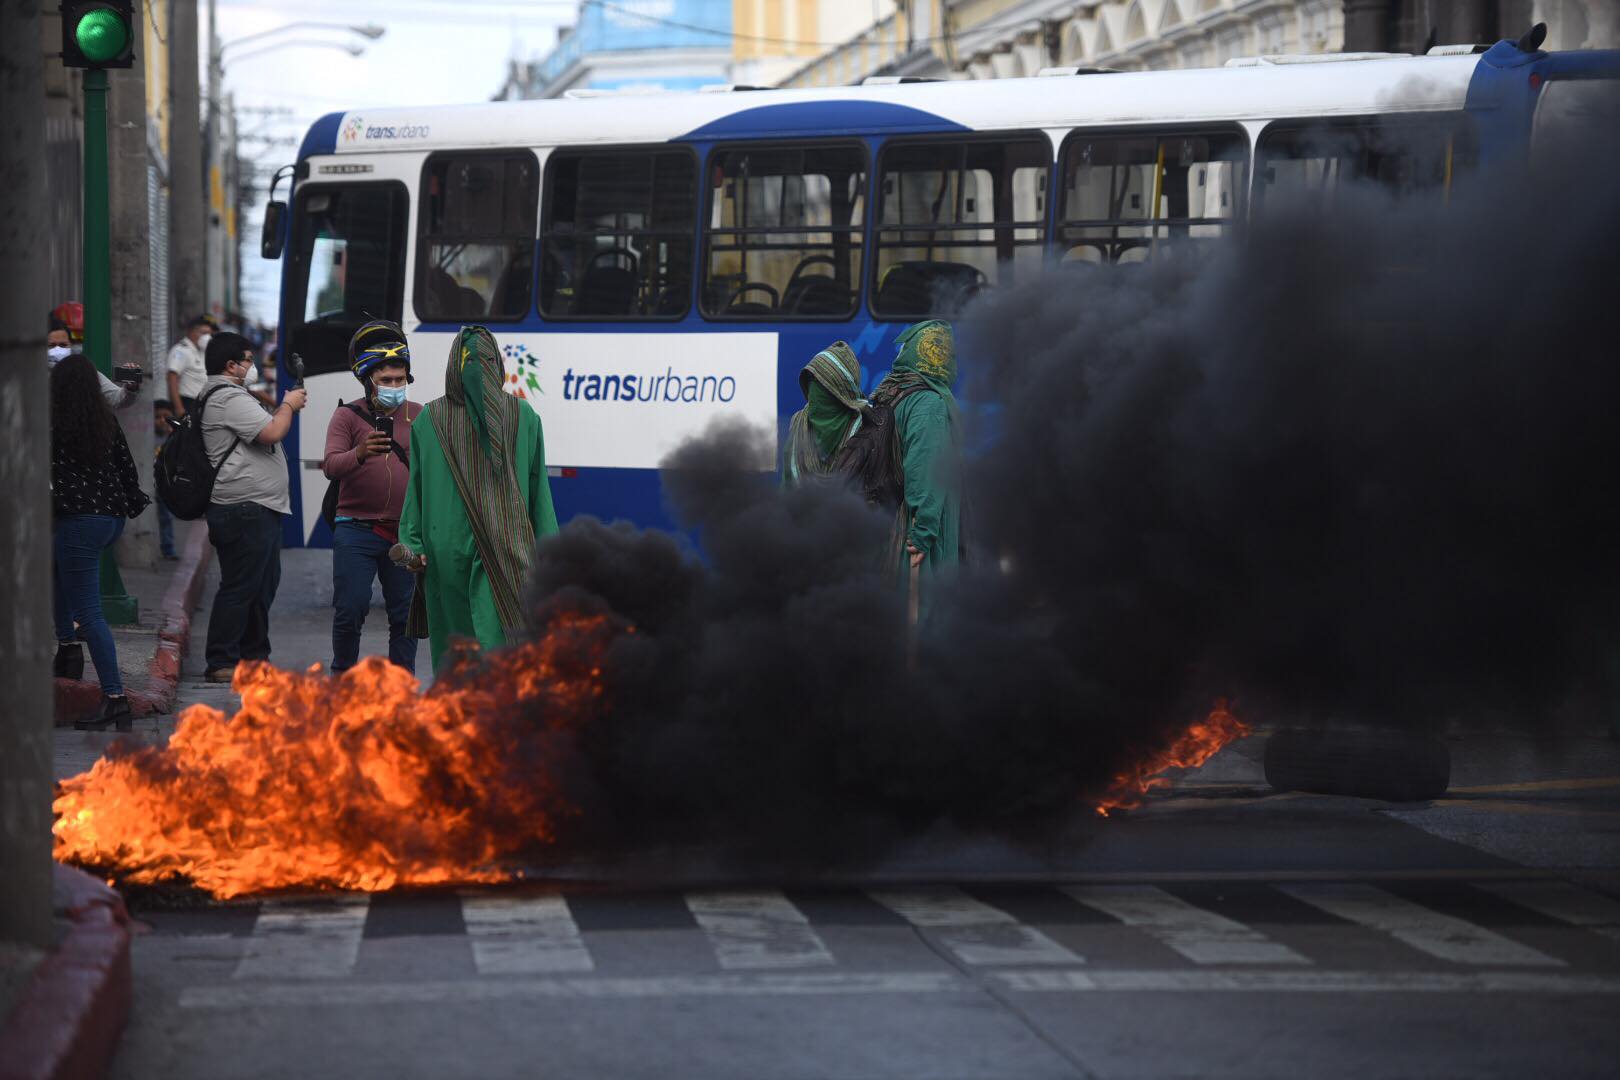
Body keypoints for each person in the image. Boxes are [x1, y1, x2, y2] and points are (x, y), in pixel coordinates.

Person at [395, 325, 558, 672]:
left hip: (446, 548)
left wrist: (413, 540)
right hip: (508, 546)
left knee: (457, 644)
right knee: (501, 636)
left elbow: (416, 490)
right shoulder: (521, 415)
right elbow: (539, 493)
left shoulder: (431, 418)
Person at [50, 356, 151, 730]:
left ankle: (114, 698)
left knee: (89, 614)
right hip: (111, 520)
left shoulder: (53, 425)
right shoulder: (104, 422)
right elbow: (127, 470)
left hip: (77, 521)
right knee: (57, 575)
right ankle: (68, 651)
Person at [199, 331, 307, 682]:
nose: (252, 365)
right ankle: (221, 660)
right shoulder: (227, 397)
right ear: (230, 365)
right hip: (244, 507)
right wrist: (288, 404)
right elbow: (273, 432)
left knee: (262, 584)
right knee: (242, 585)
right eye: (247, 360)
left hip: (257, 506)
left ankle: (254, 657)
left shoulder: (233, 395)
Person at [321, 321, 422, 675]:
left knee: (405, 615)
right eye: (385, 380)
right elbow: (331, 466)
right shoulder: (346, 416)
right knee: (351, 608)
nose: (394, 387)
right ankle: (343, 678)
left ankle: (401, 687)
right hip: (356, 530)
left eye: (399, 379)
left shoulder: (420, 417)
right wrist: (361, 452)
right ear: (367, 379)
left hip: (404, 533)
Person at [873, 320, 966, 618]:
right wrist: (923, 532)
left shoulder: (893, 391)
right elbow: (927, 470)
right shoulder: (929, 404)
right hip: (921, 530)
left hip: (895, 521)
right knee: (926, 614)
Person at [781, 341, 867, 487]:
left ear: (840, 394)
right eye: (811, 380)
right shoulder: (798, 424)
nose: (814, 389)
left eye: (823, 383)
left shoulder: (869, 427)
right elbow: (786, 488)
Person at [49, 307, 134, 410]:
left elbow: (117, 399)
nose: (57, 350)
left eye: (63, 345)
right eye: (51, 345)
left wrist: (130, 389)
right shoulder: (30, 376)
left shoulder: (84, 372)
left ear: (70, 345)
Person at [166, 315, 215, 418]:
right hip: (187, 403)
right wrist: (179, 408)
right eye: (204, 333)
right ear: (191, 332)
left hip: (201, 404)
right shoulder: (181, 350)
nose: (208, 337)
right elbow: (172, 378)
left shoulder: (201, 351)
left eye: (210, 333)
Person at [153, 399, 178, 559]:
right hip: (148, 482)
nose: (162, 420)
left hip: (164, 484)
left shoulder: (175, 437)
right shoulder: (147, 437)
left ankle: (168, 548)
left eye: (166, 416)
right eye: (158, 417)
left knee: (166, 517)